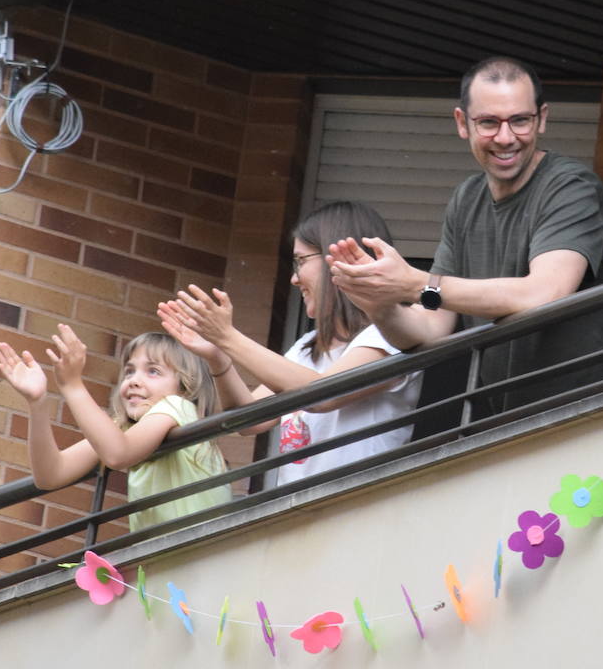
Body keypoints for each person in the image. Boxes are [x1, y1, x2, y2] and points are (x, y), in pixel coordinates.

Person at [327, 56, 603, 418]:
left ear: (543, 118)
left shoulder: (570, 185)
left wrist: (411, 283)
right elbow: (431, 323)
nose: (506, 138)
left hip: (595, 411)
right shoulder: (465, 200)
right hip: (510, 421)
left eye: (520, 120)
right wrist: (380, 300)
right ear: (463, 123)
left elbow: (544, 292)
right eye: (489, 122)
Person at [162, 201, 422, 486]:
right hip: (300, 508)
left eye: (300, 261)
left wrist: (228, 336)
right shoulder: (306, 346)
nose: (294, 278)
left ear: (337, 257)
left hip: (359, 509)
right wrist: (217, 355)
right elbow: (250, 421)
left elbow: (325, 395)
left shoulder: (388, 335)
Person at [0, 324, 254, 531]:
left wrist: (72, 385)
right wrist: (37, 403)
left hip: (202, 559)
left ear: (185, 386)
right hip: (165, 564)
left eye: (153, 371)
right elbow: (51, 474)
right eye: (129, 372)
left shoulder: (179, 406)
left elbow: (119, 454)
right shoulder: (124, 430)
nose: (134, 381)